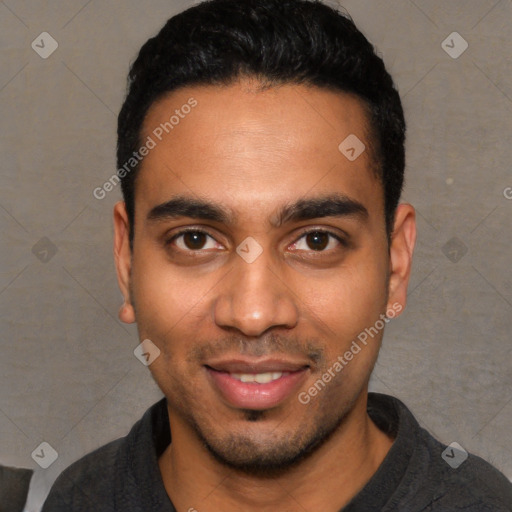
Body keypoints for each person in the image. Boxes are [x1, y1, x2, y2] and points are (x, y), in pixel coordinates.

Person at [42, 0, 512, 510]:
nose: (253, 314)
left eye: (316, 240)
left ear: (396, 265)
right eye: (195, 239)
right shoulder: (73, 498)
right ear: (127, 262)